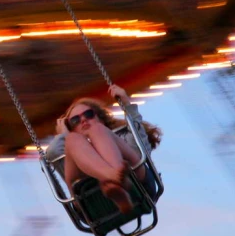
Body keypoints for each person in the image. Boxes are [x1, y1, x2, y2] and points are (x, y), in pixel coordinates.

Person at [45, 85, 162, 214]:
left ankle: (115, 181)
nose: (83, 120)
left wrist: (126, 104)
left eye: (89, 114)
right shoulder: (71, 145)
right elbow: (52, 152)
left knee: (97, 129)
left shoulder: (120, 135)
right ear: (70, 128)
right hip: (92, 202)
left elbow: (140, 145)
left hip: (138, 184)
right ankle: (114, 179)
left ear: (100, 117)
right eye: (75, 120)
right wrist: (64, 137)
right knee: (72, 141)